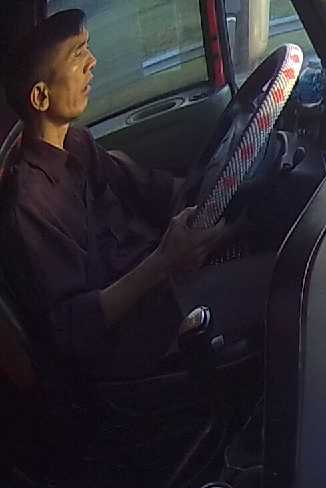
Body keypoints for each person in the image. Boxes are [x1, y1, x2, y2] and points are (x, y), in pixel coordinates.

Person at [0, 9, 272, 381]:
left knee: (267, 232)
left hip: (163, 282)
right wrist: (164, 262)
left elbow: (152, 189)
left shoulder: (77, 144)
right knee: (286, 283)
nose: (92, 62)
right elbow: (73, 327)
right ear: (41, 96)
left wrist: (221, 206)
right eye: (77, 54)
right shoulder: (31, 204)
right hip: (136, 339)